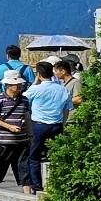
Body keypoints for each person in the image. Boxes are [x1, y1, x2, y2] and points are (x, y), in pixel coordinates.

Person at [25, 61, 75, 193]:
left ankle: (37, 187)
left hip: (39, 126)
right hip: (57, 125)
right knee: (55, 156)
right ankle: (55, 184)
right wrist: (62, 124)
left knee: (34, 157)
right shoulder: (62, 89)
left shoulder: (35, 89)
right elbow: (67, 109)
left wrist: (35, 83)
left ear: (39, 74)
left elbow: (24, 100)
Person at [0, 71, 33, 187]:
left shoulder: (25, 100)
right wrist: (9, 127)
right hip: (3, 142)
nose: (20, 86)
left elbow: (27, 117)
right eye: (17, 84)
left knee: (25, 174)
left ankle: (28, 200)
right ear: (8, 85)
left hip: (22, 141)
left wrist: (30, 135)